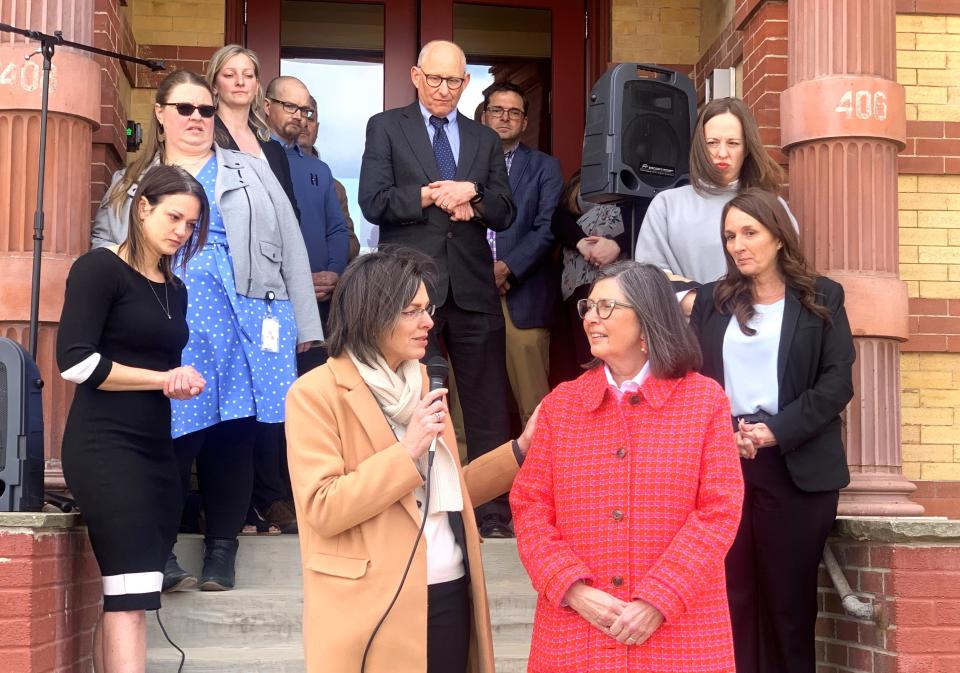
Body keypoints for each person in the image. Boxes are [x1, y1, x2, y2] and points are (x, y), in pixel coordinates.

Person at [91, 69, 323, 592]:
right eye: (185, 109)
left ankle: (222, 550)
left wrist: (306, 324)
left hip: (246, 313)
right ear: (161, 113)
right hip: (164, 315)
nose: (197, 119)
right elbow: (104, 248)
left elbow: (289, 239)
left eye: (205, 110)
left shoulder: (251, 169)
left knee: (235, 431)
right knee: (171, 431)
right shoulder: (132, 181)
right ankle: (162, 549)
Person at [285, 246, 537, 673]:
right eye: (412, 311)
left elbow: (445, 491)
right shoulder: (315, 394)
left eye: (428, 308)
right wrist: (407, 451)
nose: (429, 322)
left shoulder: (421, 380)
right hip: (373, 605)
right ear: (373, 315)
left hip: (449, 588)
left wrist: (520, 451)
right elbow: (323, 508)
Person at [510, 261, 744, 673]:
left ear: (647, 318)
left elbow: (719, 511)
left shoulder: (704, 402)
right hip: (577, 628)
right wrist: (572, 587)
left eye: (606, 307)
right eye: (588, 307)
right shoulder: (561, 407)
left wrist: (661, 596)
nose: (590, 319)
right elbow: (529, 507)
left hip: (678, 630)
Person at [689, 188, 855, 673]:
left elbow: (836, 383)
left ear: (778, 237)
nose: (738, 245)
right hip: (727, 465)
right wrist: (726, 434)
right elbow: (697, 381)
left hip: (798, 468)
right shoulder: (712, 300)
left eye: (749, 233)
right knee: (732, 598)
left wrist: (774, 431)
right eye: (729, 236)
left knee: (788, 606)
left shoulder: (822, 296)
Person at [359, 39, 517, 538]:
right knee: (408, 400)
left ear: (467, 83)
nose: (444, 89)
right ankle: (410, 501)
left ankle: (492, 512)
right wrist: (432, 194)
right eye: (435, 79)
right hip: (409, 289)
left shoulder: (484, 139)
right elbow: (373, 201)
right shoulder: (386, 127)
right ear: (415, 76)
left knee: (488, 404)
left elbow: (505, 209)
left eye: (454, 81)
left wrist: (472, 192)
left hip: (472, 287)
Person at [59, 165, 209, 673]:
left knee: (135, 595)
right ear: (142, 206)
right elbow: (76, 363)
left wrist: (177, 382)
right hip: (105, 447)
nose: (181, 232)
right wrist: (162, 379)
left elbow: (158, 370)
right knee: (128, 597)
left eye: (191, 224)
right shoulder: (97, 269)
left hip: (156, 450)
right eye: (173, 217)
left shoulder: (176, 288)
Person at [635, 97, 797, 283]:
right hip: (686, 311)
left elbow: (790, 274)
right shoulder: (667, 205)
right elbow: (648, 275)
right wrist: (696, 302)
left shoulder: (773, 207)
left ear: (747, 148)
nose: (722, 153)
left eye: (733, 143)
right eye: (712, 142)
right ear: (700, 147)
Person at [479, 81, 563, 424]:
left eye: (514, 112)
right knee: (469, 398)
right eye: (497, 110)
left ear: (525, 122)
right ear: (484, 117)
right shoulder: (464, 166)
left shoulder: (545, 167)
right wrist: (482, 271)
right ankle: (466, 474)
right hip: (472, 293)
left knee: (534, 406)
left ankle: (541, 474)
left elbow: (547, 227)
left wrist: (506, 268)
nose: (505, 117)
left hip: (523, 294)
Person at [265, 76, 350, 339]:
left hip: (318, 303)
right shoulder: (250, 158)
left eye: (305, 110)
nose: (299, 116)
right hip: (269, 296)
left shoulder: (320, 170)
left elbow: (337, 229)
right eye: (290, 106)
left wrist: (333, 273)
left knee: (313, 376)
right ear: (267, 106)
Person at [205, 44, 299, 219]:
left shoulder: (274, 150)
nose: (240, 82)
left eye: (248, 75)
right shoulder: (204, 137)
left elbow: (291, 214)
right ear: (214, 86)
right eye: (229, 75)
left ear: (256, 86)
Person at [551, 169, 632, 370]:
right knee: (584, 362)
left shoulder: (644, 175)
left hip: (622, 283)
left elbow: (648, 216)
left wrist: (617, 244)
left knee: (618, 358)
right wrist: (580, 242)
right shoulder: (585, 173)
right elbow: (558, 217)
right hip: (578, 284)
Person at [298, 94, 361, 262]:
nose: (304, 123)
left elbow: (351, 243)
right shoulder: (266, 172)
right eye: (297, 115)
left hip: (324, 279)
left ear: (317, 128)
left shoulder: (334, 187)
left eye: (310, 116)